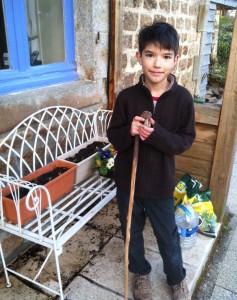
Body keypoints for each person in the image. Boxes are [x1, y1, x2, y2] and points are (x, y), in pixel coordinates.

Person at [107, 21, 195, 300]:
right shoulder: (127, 97)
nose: (157, 64)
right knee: (131, 233)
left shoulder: (182, 99)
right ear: (138, 57)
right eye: (150, 55)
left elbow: (184, 141)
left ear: (176, 59)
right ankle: (141, 273)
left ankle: (176, 277)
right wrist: (129, 131)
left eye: (166, 56)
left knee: (167, 236)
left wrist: (155, 135)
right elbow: (114, 137)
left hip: (160, 184)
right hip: (128, 182)